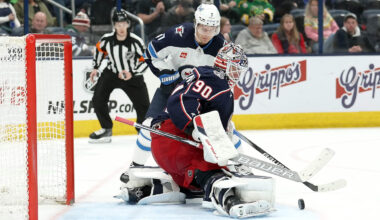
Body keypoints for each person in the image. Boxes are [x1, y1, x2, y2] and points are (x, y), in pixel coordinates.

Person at [117, 43, 276, 218]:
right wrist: (193, 127)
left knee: (193, 184)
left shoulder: (204, 74)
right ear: (226, 65)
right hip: (175, 141)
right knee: (214, 172)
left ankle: (147, 189)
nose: (238, 75)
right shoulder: (220, 86)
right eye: (236, 69)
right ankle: (229, 201)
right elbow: (180, 102)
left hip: (165, 146)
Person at [119, 3, 227, 182]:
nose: (207, 33)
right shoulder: (178, 34)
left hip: (200, 96)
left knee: (218, 130)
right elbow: (150, 53)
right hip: (171, 91)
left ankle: (229, 168)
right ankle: (135, 167)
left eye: (212, 29)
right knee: (148, 126)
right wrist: (165, 72)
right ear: (196, 23)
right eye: (203, 28)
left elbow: (222, 81)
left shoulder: (221, 47)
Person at [88, 9, 150, 143]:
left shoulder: (136, 41)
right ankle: (106, 129)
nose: (121, 27)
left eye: (123, 24)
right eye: (118, 24)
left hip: (132, 75)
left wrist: (132, 73)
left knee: (143, 105)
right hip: (111, 73)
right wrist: (95, 67)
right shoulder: (106, 39)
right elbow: (99, 50)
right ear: (114, 25)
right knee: (98, 99)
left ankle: (143, 131)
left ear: (128, 24)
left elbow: (145, 59)